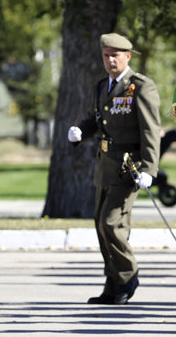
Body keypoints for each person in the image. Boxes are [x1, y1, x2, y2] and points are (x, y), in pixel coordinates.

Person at [68, 33, 161, 305]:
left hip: (129, 167)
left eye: (115, 55)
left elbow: (150, 130)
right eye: (106, 55)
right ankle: (113, 283)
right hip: (105, 165)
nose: (110, 60)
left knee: (112, 222)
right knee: (101, 225)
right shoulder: (102, 87)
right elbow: (97, 122)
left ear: (127, 57)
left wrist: (150, 168)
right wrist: (81, 132)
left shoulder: (141, 87)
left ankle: (128, 275)